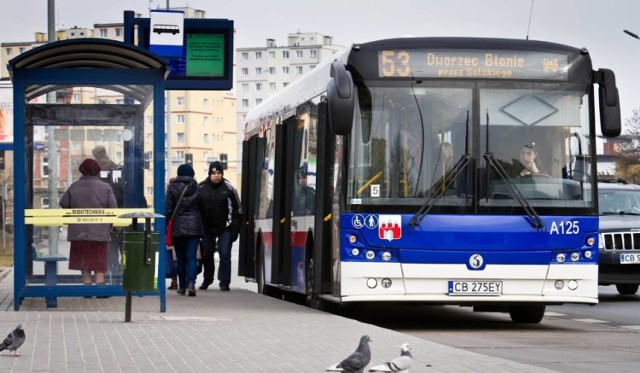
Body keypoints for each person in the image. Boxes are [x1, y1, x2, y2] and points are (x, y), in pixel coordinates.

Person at [59, 158, 117, 294]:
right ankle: (100, 286)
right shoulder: (106, 187)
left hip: (78, 232)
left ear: (82, 170)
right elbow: (113, 208)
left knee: (84, 259)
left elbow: (63, 203)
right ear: (97, 170)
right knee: (99, 260)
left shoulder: (74, 186)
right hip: (100, 231)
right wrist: (109, 226)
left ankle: (87, 286)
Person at [198, 161, 242, 291]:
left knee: (225, 254)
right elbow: (196, 209)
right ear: (209, 174)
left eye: (219, 173)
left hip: (225, 228)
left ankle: (224, 282)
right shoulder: (201, 188)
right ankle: (207, 279)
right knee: (206, 254)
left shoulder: (229, 188)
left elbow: (238, 210)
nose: (216, 175)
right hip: (206, 228)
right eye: (214, 173)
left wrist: (235, 231)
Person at [166, 164, 203, 296]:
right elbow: (203, 208)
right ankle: (192, 283)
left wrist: (165, 226)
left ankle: (182, 286)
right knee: (192, 257)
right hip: (194, 227)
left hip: (177, 227)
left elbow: (168, 209)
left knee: (180, 258)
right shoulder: (197, 187)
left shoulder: (172, 187)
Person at [92, 145, 125, 281]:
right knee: (123, 248)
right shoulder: (117, 169)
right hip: (123, 216)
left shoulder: (94, 174)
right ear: (105, 153)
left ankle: (114, 276)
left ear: (95, 156)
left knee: (110, 250)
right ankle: (123, 278)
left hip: (104, 218)